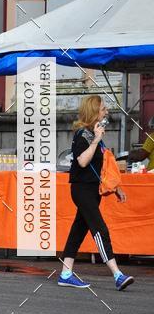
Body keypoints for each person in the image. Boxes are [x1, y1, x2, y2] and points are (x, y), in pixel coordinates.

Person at [58, 95, 134, 291]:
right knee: (99, 229)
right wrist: (96, 141)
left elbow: (102, 166)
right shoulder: (83, 135)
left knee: (78, 230)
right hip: (82, 189)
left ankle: (66, 273)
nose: (106, 111)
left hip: (92, 190)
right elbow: (82, 162)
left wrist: (115, 187)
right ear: (93, 112)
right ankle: (117, 274)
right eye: (103, 109)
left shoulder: (94, 134)